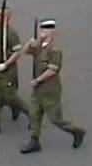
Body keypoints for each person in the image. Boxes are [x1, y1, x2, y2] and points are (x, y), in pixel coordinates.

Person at [9, 19, 86, 154]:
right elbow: (26, 51)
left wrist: (38, 80)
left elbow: (53, 70)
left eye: (44, 30)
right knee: (34, 114)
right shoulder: (40, 46)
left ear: (52, 32)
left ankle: (76, 131)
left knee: (55, 119)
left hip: (50, 89)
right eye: (41, 29)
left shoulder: (54, 49)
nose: (41, 32)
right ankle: (34, 141)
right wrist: (30, 43)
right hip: (37, 89)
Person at [0, 6, 29, 135]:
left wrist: (6, 64)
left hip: (7, 72)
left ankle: (31, 115)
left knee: (11, 98)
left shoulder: (10, 33)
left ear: (7, 18)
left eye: (1, 16)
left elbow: (17, 51)